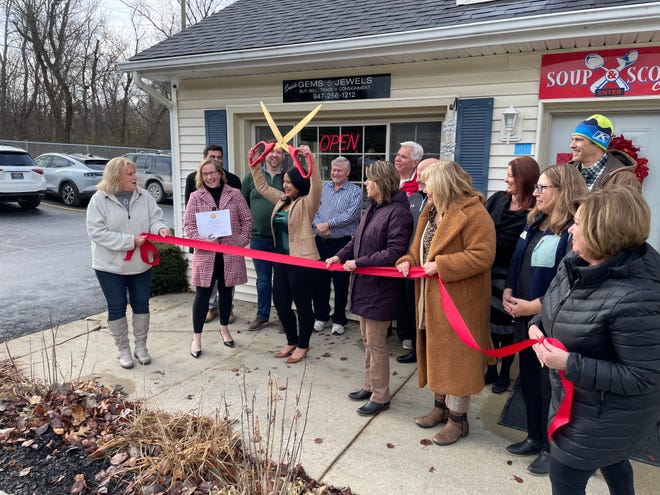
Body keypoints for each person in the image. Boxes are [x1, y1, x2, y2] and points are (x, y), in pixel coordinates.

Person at [531, 185, 660, 495]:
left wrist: (568, 363)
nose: (570, 229)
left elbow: (645, 377)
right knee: (615, 462)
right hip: (577, 404)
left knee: (566, 478)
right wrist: (538, 325)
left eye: (579, 223)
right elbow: (557, 308)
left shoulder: (638, 297)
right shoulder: (577, 263)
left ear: (604, 233)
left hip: (605, 416)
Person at [396, 161, 495, 445]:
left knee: (458, 361)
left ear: (443, 185)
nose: (422, 190)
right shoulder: (431, 211)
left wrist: (441, 265)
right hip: (430, 296)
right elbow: (417, 250)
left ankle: (458, 420)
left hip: (460, 301)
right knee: (436, 351)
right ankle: (440, 408)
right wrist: (407, 261)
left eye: (427, 185)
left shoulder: (475, 213)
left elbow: (483, 255)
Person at [503, 164, 588, 476]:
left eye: (543, 188)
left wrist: (534, 307)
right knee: (527, 382)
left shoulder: (572, 231)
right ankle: (534, 436)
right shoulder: (536, 221)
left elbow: (565, 283)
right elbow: (517, 259)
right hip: (524, 317)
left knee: (549, 389)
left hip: (549, 322)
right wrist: (509, 290)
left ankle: (554, 450)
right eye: (536, 187)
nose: (535, 193)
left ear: (563, 191)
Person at [328, 160, 413, 416]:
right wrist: (340, 256)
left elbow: (395, 252)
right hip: (364, 284)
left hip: (381, 289)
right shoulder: (374, 207)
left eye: (369, 180)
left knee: (376, 343)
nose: (365, 183)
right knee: (367, 340)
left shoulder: (399, 213)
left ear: (381, 183)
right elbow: (357, 239)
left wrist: (359, 262)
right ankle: (369, 385)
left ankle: (381, 395)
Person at [86, 157, 170, 369]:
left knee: (141, 304)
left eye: (135, 173)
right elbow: (97, 233)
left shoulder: (145, 196)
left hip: (140, 264)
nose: (136, 177)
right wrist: (129, 241)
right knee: (117, 307)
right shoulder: (99, 200)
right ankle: (123, 349)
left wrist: (159, 228)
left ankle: (140, 347)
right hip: (109, 266)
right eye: (130, 174)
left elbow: (155, 218)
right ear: (116, 177)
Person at [247, 144, 320, 364]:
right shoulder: (282, 200)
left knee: (303, 305)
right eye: (284, 182)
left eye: (288, 182)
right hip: (280, 261)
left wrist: (310, 159)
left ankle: (303, 345)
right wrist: (255, 162)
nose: (285, 185)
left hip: (302, 262)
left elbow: (316, 184)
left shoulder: (308, 203)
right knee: (280, 302)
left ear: (298, 183)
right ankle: (291, 340)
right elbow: (261, 186)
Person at [183, 158, 252, 358]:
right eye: (205, 174)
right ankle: (196, 337)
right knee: (202, 296)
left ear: (220, 173)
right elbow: (189, 225)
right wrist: (201, 239)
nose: (209, 177)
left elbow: (247, 220)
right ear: (201, 177)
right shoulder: (196, 197)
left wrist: (240, 241)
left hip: (230, 253)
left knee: (226, 292)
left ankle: (224, 328)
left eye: (212, 173)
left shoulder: (235, 194)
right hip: (206, 255)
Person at [483, 156, 539, 393]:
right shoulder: (497, 199)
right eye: (506, 174)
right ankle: (491, 368)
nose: (506, 179)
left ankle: (505, 372)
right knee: (487, 322)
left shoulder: (535, 210)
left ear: (525, 179)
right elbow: (480, 227)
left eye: (511, 175)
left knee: (506, 324)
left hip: (511, 273)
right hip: (487, 268)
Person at [185, 145, 241, 324]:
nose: (216, 159)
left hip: (229, 246)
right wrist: (200, 238)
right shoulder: (192, 184)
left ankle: (226, 312)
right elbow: (190, 218)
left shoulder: (233, 181)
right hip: (205, 243)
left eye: (219, 157)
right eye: (212, 156)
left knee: (226, 286)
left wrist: (239, 240)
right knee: (205, 287)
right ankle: (211, 308)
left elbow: (242, 217)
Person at [311, 156, 362, 335]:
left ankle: (339, 319)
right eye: (333, 169)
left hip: (342, 245)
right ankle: (321, 316)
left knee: (341, 284)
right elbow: (313, 208)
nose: (335, 173)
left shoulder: (355, 191)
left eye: (339, 170)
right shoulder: (323, 188)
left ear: (347, 172)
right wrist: (318, 225)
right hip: (319, 242)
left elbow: (351, 215)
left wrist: (328, 224)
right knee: (319, 282)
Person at [395, 157, 436, 364]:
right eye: (417, 173)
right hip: (412, 267)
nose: (418, 179)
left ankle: (429, 354)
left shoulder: (441, 205)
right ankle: (416, 350)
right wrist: (407, 258)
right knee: (413, 311)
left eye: (423, 175)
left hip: (433, 272)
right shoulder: (415, 198)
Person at [241, 144, 285, 330]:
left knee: (282, 281)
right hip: (259, 239)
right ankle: (262, 315)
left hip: (282, 239)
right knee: (263, 281)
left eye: (279, 152)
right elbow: (242, 205)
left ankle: (284, 316)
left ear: (284, 157)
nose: (274, 155)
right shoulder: (251, 177)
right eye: (271, 151)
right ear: (265, 155)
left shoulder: (288, 178)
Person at [568, 114, 640, 192]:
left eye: (579, 140)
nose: (571, 145)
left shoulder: (624, 179)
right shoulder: (564, 173)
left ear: (598, 143)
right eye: (573, 139)